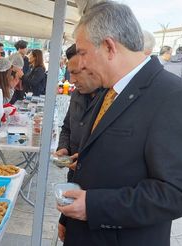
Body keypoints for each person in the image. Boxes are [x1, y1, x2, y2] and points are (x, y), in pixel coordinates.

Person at [57, 2, 182, 246]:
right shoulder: (109, 90)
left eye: (83, 53)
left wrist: (94, 206)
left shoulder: (173, 96)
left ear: (109, 46)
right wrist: (68, 218)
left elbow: (178, 192)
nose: (81, 64)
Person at [54, 44, 103, 240]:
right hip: (73, 176)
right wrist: (64, 147)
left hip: (95, 190)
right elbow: (66, 126)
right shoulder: (77, 93)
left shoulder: (110, 99)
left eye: (75, 73)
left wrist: (85, 159)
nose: (71, 80)